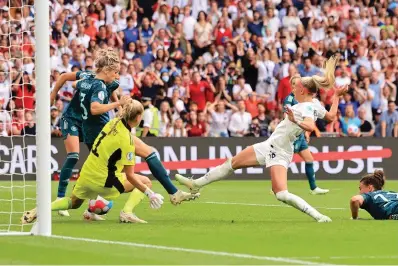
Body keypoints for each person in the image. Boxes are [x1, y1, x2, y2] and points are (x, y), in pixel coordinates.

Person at [176, 57, 340, 222]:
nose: (293, 91)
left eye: (295, 88)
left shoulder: (306, 107)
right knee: (230, 164)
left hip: (281, 151)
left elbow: (310, 126)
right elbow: (331, 116)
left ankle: (319, 216)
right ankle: (195, 184)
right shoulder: (315, 104)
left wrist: (295, 120)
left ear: (303, 90)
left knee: (281, 194)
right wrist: (337, 96)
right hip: (269, 145)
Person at [22, 100, 165, 224]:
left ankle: (41, 209)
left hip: (87, 173)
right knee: (145, 181)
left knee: (73, 202)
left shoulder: (112, 123)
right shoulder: (128, 141)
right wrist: (149, 194)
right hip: (105, 181)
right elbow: (130, 176)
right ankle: (127, 212)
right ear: (139, 117)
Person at [49, 66, 120, 217]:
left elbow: (113, 93)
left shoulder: (111, 83)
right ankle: (61, 198)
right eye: (115, 71)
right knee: (74, 155)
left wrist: (119, 109)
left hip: (89, 124)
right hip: (72, 119)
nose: (117, 75)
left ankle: (91, 207)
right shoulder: (88, 76)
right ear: (106, 70)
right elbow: (64, 77)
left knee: (97, 161)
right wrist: (53, 94)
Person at [282, 74, 347, 194]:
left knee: (309, 159)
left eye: (300, 84)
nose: (298, 87)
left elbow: (330, 117)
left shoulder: (314, 103)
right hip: (289, 136)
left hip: (300, 135)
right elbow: (288, 119)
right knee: (282, 160)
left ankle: (313, 188)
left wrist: (336, 95)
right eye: (296, 85)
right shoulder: (289, 100)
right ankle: (278, 185)